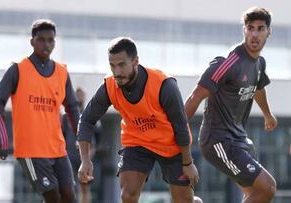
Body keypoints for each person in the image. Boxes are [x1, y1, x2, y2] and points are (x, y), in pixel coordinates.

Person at [77, 37, 202, 203]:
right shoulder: (109, 86)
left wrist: (187, 163)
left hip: (171, 145)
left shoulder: (164, 85)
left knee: (184, 201)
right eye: (112, 66)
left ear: (135, 61)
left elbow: (181, 126)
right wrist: (85, 160)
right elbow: (86, 120)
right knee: (127, 195)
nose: (117, 72)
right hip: (137, 142)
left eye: (122, 65)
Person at [184, 7, 277, 203]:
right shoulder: (227, 63)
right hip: (217, 140)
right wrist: (174, 134)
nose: (254, 34)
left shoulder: (259, 63)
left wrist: (268, 114)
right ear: (244, 29)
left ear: (269, 31)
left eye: (260, 29)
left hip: (238, 140)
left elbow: (259, 88)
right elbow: (195, 97)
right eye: (250, 28)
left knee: (256, 194)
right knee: (268, 187)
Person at [0, 19, 80, 203]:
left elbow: (71, 106)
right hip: (31, 151)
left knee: (70, 197)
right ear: (32, 41)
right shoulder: (18, 69)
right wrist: (2, 137)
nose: (46, 44)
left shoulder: (62, 72)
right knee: (53, 198)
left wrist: (81, 136)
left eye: (51, 40)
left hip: (57, 149)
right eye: (41, 40)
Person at [61, 87, 103, 203]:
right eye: (77, 95)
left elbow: (98, 136)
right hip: (70, 156)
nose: (79, 97)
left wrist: (91, 151)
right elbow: (62, 135)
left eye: (81, 95)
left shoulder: (91, 115)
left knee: (84, 188)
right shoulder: (65, 117)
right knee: (68, 186)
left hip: (85, 156)